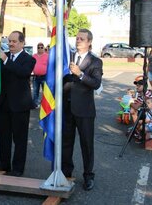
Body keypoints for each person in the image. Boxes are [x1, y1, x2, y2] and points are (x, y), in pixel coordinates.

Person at [62, 28, 103, 191]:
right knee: (66, 142)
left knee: (86, 144)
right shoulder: (68, 57)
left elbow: (96, 83)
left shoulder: (95, 62)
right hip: (67, 107)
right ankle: (65, 173)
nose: (78, 40)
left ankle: (88, 176)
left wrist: (79, 74)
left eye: (82, 39)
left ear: (89, 42)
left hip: (84, 110)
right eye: (77, 38)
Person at [0, 30, 36, 177]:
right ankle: (4, 166)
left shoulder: (29, 59)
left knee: (19, 139)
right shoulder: (3, 56)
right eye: (9, 41)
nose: (10, 44)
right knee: (4, 137)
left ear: (22, 43)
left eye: (14, 41)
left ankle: (18, 169)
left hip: (20, 105)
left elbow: (23, 72)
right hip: (3, 103)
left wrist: (6, 60)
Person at [31, 42, 49, 109]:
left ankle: (46, 105)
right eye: (38, 47)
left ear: (43, 48)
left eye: (41, 47)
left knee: (45, 92)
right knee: (35, 91)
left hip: (44, 76)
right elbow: (31, 64)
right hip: (36, 76)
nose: (40, 48)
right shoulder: (34, 56)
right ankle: (35, 104)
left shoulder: (47, 56)